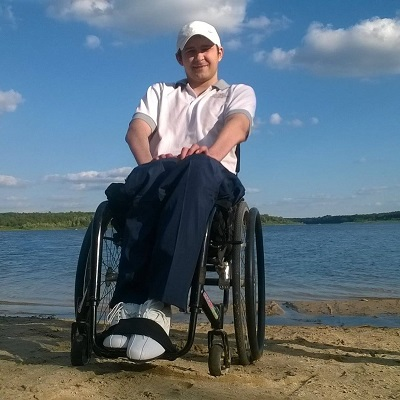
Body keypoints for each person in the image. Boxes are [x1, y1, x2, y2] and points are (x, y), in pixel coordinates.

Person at [102, 20, 256, 362]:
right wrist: (150, 168)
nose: (198, 57)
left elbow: (239, 125)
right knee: (143, 177)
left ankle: (160, 304)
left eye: (205, 49)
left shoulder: (237, 92)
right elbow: (136, 132)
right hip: (163, 175)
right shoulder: (160, 92)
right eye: (191, 51)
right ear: (180, 58)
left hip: (215, 180)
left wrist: (208, 156)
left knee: (198, 169)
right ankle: (128, 302)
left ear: (219, 53)